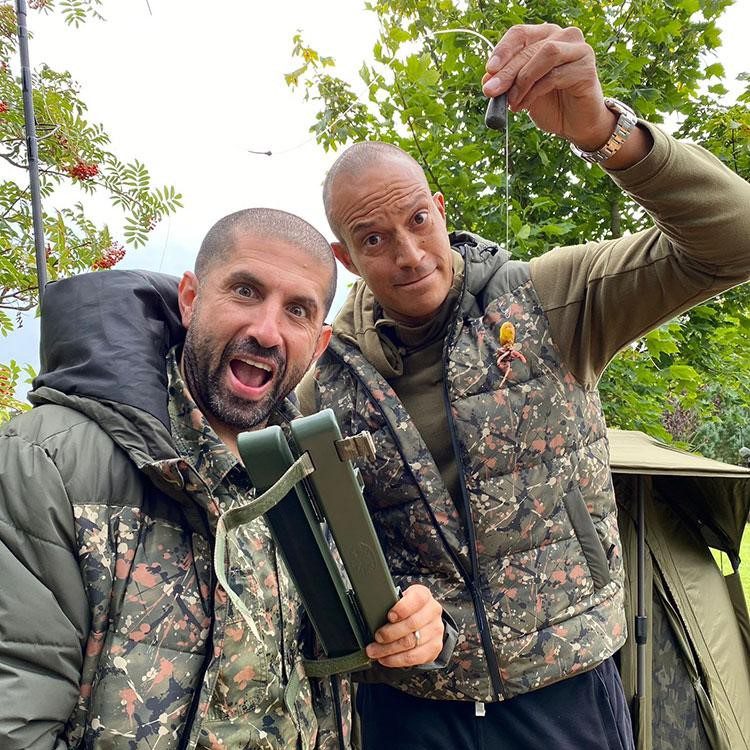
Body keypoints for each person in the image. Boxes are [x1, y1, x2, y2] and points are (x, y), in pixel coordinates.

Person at [297, 22, 750, 750]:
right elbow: (314, 553)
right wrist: (381, 613)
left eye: (417, 220)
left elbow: (735, 241)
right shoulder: (325, 382)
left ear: (441, 209)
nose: (409, 254)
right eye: (373, 239)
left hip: (564, 687)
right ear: (345, 257)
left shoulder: (550, 301)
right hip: (413, 704)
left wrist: (605, 133)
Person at [0, 208, 445, 750]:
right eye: (245, 291)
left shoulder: (314, 478)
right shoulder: (48, 460)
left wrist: (415, 633)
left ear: (319, 343)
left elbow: (344, 655)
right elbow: (17, 712)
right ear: (190, 299)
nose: (266, 331)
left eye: (297, 311)